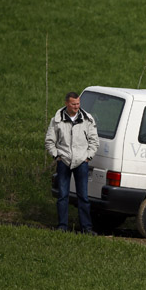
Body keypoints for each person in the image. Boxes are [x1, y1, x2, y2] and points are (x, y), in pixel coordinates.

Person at [45, 92, 99, 234]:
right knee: (62, 196)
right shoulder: (57, 120)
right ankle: (62, 226)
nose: (77, 106)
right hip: (64, 161)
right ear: (67, 104)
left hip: (82, 161)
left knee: (83, 197)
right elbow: (49, 141)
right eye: (74, 104)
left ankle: (86, 228)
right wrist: (57, 156)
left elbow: (94, 141)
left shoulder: (87, 119)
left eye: (78, 104)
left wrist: (88, 157)